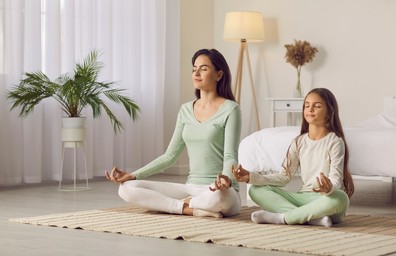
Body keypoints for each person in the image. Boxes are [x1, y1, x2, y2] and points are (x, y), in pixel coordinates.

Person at [106, 48, 241, 218]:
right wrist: (133, 175)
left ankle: (180, 205)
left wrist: (226, 180)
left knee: (219, 198)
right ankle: (188, 208)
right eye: (194, 69)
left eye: (204, 68)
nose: (196, 73)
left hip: (220, 191)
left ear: (219, 75)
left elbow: (230, 155)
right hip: (190, 187)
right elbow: (170, 156)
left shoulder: (230, 109)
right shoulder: (185, 110)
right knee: (127, 189)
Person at [232, 88, 354, 227]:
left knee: (341, 198)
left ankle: (284, 218)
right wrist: (251, 177)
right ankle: (310, 218)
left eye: (317, 106)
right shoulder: (299, 142)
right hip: (303, 198)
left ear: (329, 112)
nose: (310, 109)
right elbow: (284, 177)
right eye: (307, 105)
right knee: (255, 189)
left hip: (326, 199)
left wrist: (329, 188)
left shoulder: (335, 141)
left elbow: (336, 179)